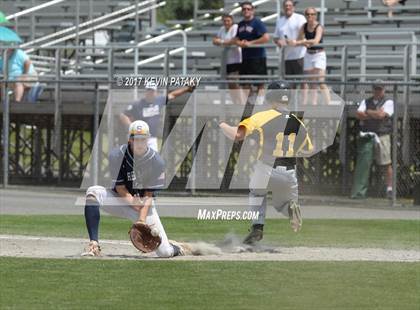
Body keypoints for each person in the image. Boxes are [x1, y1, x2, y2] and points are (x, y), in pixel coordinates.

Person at [219, 81, 313, 244]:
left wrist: (221, 124)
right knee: (282, 204)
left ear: (270, 98)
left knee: (257, 193)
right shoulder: (299, 123)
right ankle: (290, 209)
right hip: (289, 173)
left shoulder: (261, 117)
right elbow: (310, 150)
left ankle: (257, 228)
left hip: (267, 168)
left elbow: (237, 135)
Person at [81, 120, 191, 257]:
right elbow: (120, 188)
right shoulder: (116, 155)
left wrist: (141, 220)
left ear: (148, 139)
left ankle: (177, 247)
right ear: (130, 140)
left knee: (164, 253)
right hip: (121, 200)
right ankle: (94, 244)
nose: (139, 143)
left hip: (143, 206)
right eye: (136, 139)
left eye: (143, 139)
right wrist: (133, 202)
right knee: (92, 192)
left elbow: (148, 195)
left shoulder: (157, 162)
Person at [119, 81, 194, 151]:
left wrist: (187, 89)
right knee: (137, 161)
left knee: (153, 161)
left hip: (152, 138)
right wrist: (131, 126)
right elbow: (123, 115)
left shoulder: (159, 100)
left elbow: (172, 95)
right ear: (146, 91)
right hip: (139, 138)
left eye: (152, 91)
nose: (150, 93)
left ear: (156, 92)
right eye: (148, 90)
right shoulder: (138, 104)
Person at [351, 81, 394, 200]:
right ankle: (360, 191)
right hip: (367, 135)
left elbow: (382, 116)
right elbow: (359, 114)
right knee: (364, 163)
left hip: (382, 135)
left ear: (384, 90)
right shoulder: (366, 101)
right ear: (373, 89)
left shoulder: (388, 102)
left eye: (380, 89)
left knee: (386, 163)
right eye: (376, 89)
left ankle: (389, 189)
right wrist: (374, 113)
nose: (378, 91)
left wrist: (368, 112)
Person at [290, 7, 330, 105]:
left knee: (320, 81)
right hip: (308, 54)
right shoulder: (304, 26)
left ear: (315, 15)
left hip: (319, 54)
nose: (310, 16)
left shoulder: (319, 27)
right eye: (308, 14)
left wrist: (302, 42)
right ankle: (313, 104)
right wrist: (302, 42)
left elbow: (316, 41)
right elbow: (298, 40)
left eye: (312, 14)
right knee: (311, 82)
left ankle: (329, 103)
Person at [233, 1, 270, 104]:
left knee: (260, 83)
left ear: (252, 10)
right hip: (245, 58)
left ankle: (260, 102)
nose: (246, 11)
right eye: (244, 9)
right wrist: (240, 43)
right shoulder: (240, 24)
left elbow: (266, 37)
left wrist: (251, 43)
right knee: (245, 83)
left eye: (248, 9)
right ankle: (250, 103)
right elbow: (236, 39)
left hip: (257, 57)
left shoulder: (257, 22)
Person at [213, 13, 243, 104]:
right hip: (227, 61)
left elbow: (234, 40)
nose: (226, 22)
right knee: (230, 84)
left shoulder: (235, 27)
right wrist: (225, 42)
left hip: (236, 60)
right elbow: (214, 40)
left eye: (228, 20)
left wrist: (221, 42)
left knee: (235, 83)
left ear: (232, 21)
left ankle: (241, 103)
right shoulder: (222, 29)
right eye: (225, 21)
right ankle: (236, 103)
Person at [273, 0, 306, 79]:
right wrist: (279, 41)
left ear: (293, 7)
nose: (288, 7)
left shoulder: (300, 18)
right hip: (286, 57)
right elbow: (275, 37)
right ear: (283, 8)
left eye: (290, 5)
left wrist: (292, 42)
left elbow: (304, 33)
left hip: (300, 55)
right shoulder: (280, 21)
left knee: (303, 82)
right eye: (286, 5)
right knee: (289, 82)